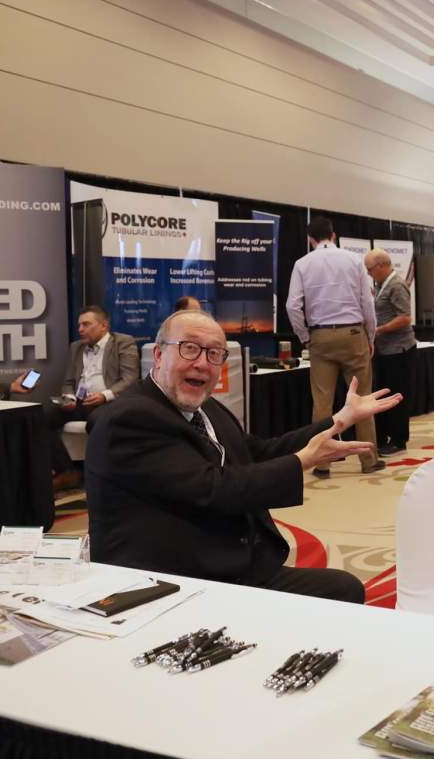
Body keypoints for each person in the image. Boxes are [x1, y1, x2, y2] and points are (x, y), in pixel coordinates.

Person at [85, 309, 400, 603]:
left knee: (343, 590)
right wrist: (303, 460)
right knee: (340, 593)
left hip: (227, 561)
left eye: (214, 354)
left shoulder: (206, 407)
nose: (202, 363)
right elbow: (213, 488)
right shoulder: (129, 419)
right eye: (190, 349)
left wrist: (339, 420)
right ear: (158, 354)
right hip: (173, 581)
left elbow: (257, 452)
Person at [285, 217, 383, 478]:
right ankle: (369, 459)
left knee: (322, 403)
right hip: (353, 334)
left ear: (310, 239)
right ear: (334, 235)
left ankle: (322, 463)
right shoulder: (353, 260)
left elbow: (292, 306)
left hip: (320, 337)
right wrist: (369, 337)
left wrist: (305, 336)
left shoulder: (302, 264)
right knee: (361, 399)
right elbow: (367, 305)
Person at [46, 306, 139, 489]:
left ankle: (104, 475)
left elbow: (130, 379)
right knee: (41, 416)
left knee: (97, 420)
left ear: (103, 325)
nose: (80, 329)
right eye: (79, 325)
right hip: (81, 402)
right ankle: (67, 471)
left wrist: (104, 396)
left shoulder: (122, 342)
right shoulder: (76, 347)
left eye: (86, 324)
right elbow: (68, 381)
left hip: (110, 401)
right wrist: (70, 397)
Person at [365, 248, 415, 456]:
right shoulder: (380, 285)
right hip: (386, 350)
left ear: (382, 266)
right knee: (385, 395)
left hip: (399, 350)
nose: (369, 273)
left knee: (397, 396)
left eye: (370, 269)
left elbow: (405, 318)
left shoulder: (396, 285)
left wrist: (378, 330)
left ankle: (398, 439)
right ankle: (386, 435)